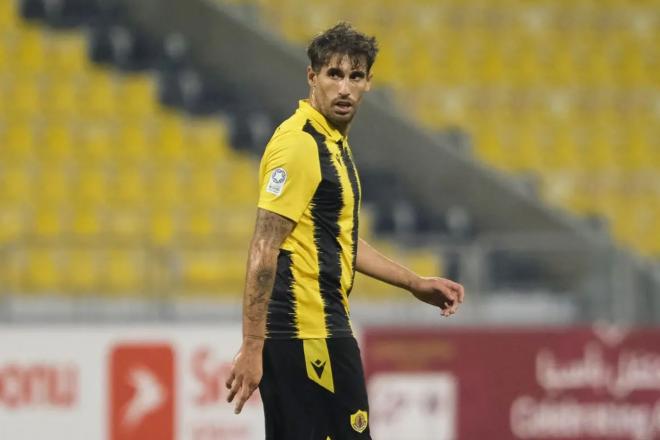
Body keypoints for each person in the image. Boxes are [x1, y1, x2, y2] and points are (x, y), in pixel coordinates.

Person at [226, 22, 465, 439]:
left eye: (355, 76)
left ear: (369, 83)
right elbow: (265, 246)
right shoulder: (299, 145)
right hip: (307, 337)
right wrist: (252, 344)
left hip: (317, 332)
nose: (344, 88)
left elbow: (338, 240)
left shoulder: (331, 142)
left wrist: (413, 282)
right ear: (311, 77)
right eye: (334, 75)